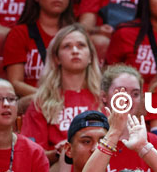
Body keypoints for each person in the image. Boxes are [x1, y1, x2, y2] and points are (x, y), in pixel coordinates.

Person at [19, 23, 101, 164]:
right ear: (57, 58)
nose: (75, 50)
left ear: (90, 57)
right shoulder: (42, 101)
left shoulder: (104, 97)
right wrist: (59, 152)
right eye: (67, 46)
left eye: (81, 45)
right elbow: (31, 154)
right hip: (59, 168)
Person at [4, 0, 76, 97]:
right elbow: (15, 83)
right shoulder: (19, 33)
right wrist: (50, 100)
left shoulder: (78, 36)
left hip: (71, 108)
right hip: (33, 104)